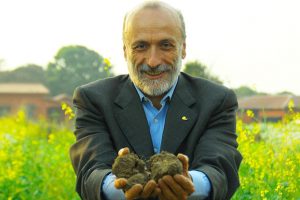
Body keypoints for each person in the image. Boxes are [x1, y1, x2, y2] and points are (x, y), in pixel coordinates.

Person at [70, 1, 242, 200]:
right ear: (125, 50)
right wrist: (120, 187)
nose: (153, 61)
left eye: (165, 45)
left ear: (183, 48)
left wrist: (190, 183)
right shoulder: (92, 100)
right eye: (140, 46)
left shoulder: (217, 101)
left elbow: (220, 169)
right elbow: (90, 173)